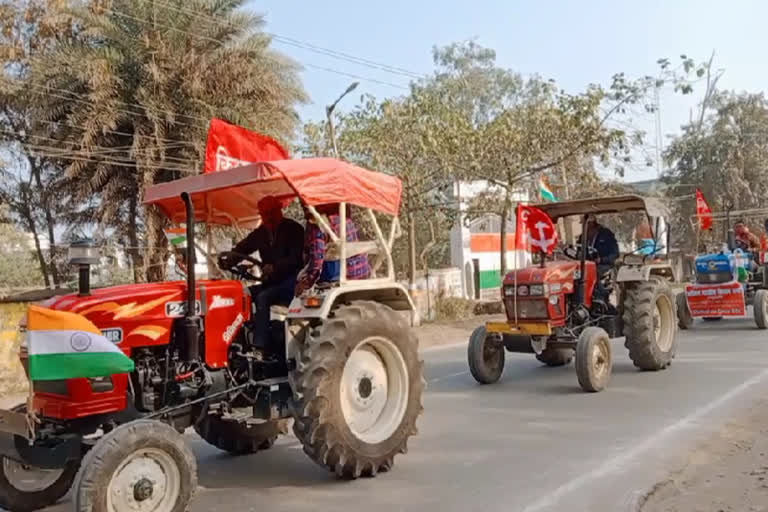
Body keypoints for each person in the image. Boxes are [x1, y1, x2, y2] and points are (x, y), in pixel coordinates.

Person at [219, 196, 304, 347]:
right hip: (271, 282)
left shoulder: (293, 229)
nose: (269, 217)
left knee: (263, 297)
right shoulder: (261, 233)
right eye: (265, 214)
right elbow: (243, 248)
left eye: (272, 212)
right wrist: (229, 260)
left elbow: (297, 258)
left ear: (279, 211)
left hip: (292, 282)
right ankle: (238, 338)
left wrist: (275, 267)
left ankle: (260, 346)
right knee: (242, 294)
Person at [295, 203, 371, 297]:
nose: (303, 206)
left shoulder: (317, 224)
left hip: (340, 275)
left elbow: (317, 258)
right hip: (362, 272)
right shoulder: (345, 218)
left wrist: (306, 282)